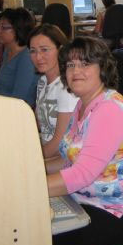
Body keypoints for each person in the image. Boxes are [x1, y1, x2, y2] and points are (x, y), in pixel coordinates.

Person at [46, 36, 123, 245]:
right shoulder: (82, 105)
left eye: (85, 63)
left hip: (120, 210)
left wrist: (29, 188)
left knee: (39, 240)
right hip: (89, 200)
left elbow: (81, 174)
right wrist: (34, 170)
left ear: (102, 69)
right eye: (70, 65)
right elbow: (68, 160)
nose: (76, 71)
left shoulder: (109, 109)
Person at [28, 24, 78, 158]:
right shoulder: (42, 81)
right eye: (33, 51)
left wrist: (32, 158)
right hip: (45, 149)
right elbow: (39, 123)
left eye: (44, 50)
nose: (38, 57)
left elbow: (60, 144)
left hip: (64, 156)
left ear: (60, 50)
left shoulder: (67, 88)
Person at [0, 8, 38, 106]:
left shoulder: (27, 58)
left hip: (15, 109)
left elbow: (18, 99)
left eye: (3, 27)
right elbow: (0, 84)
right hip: (2, 104)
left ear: (19, 29)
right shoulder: (8, 51)